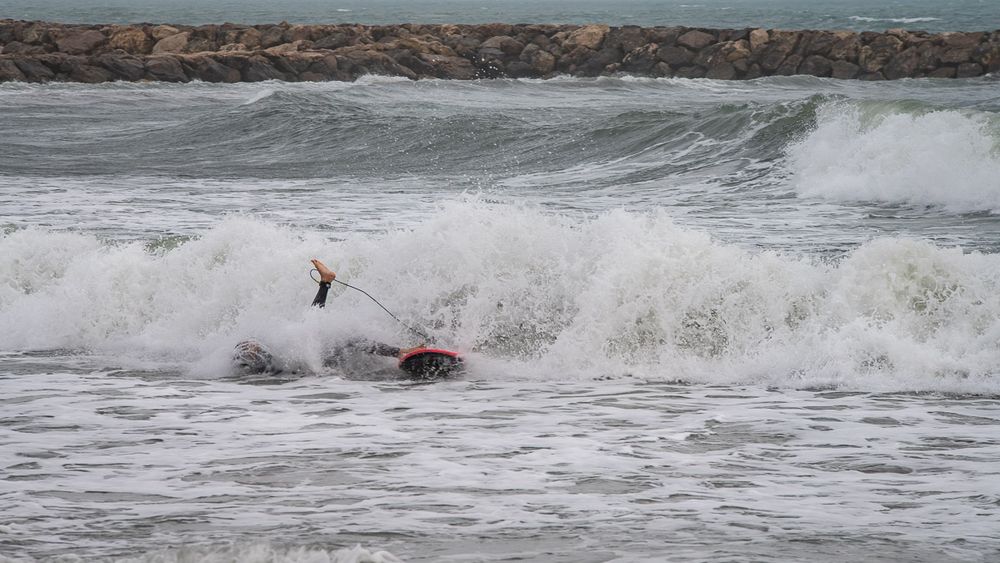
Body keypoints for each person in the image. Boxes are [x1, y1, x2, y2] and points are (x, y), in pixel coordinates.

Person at [232, 258, 419, 375]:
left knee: (321, 328)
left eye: (252, 347)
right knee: (330, 331)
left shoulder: (280, 349)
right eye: (251, 349)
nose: (252, 349)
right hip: (321, 362)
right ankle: (325, 282)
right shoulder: (269, 365)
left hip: (319, 357)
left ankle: (400, 352)